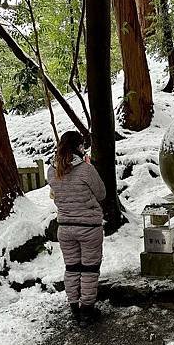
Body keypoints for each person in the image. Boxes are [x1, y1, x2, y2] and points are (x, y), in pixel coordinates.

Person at [47, 131, 106, 328]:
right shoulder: (86, 170)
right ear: (78, 147)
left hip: (65, 228)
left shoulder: (52, 171)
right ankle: (87, 311)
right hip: (89, 227)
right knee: (89, 269)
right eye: (82, 145)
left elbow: (56, 193)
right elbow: (101, 193)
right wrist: (88, 165)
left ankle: (73, 306)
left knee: (72, 268)